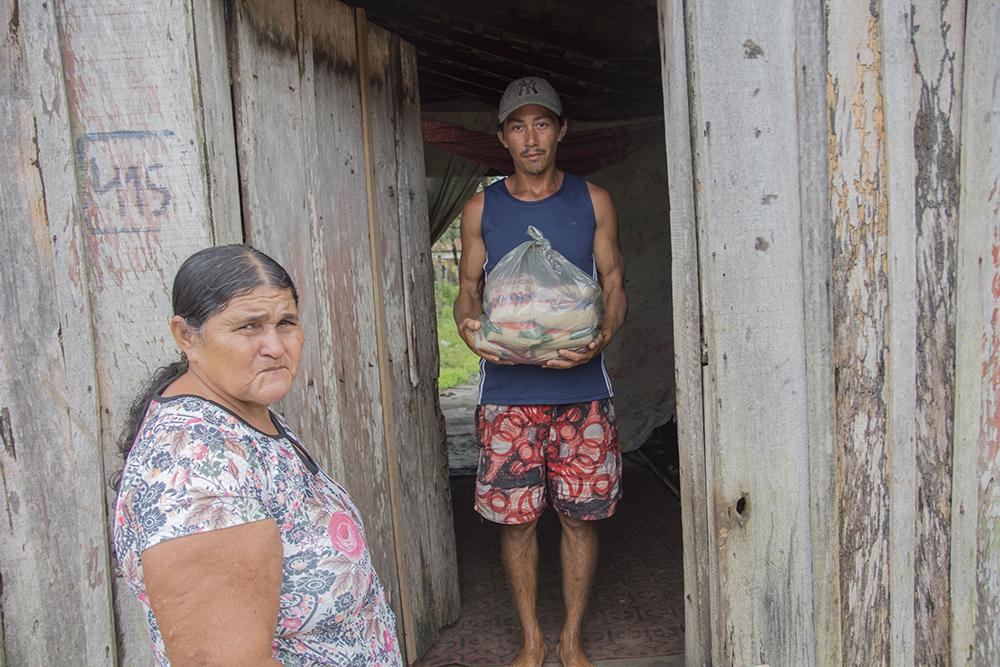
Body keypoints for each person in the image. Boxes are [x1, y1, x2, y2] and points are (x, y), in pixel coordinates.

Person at [112, 245, 402, 666]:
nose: (275, 347)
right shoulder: (197, 473)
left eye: (286, 322)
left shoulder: (241, 413)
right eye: (249, 326)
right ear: (186, 336)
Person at [453, 76, 628, 667]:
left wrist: (601, 335)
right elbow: (467, 294)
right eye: (518, 126)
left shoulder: (594, 200)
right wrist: (471, 332)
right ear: (503, 137)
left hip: (582, 391)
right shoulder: (482, 207)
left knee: (581, 518)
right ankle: (531, 638)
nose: (532, 137)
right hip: (507, 393)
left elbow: (614, 286)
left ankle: (571, 637)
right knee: (517, 520)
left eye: (543, 123)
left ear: (561, 129)